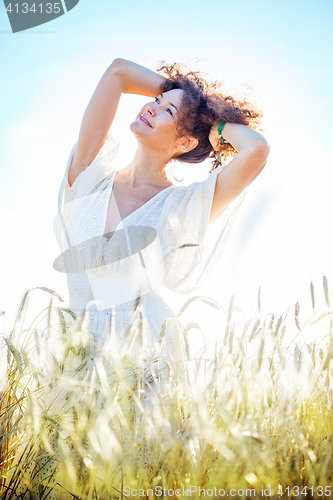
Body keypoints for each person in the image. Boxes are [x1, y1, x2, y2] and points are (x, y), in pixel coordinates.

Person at [53, 58, 269, 375]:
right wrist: (180, 93)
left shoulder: (183, 206)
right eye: (156, 101)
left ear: (185, 142)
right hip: (73, 358)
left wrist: (214, 123)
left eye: (168, 111)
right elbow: (118, 73)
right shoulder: (89, 178)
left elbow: (256, 150)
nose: (152, 108)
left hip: (144, 365)